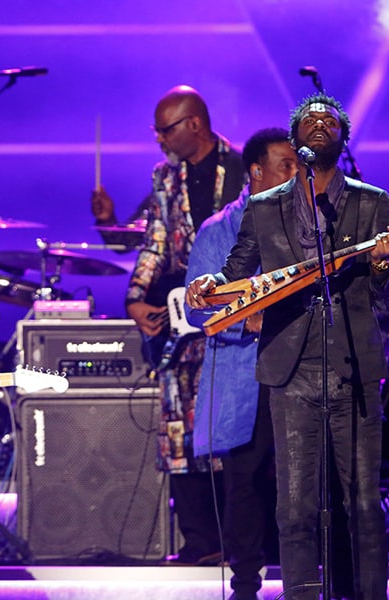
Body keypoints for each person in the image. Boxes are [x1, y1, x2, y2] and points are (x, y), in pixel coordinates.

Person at [187, 92, 389, 599]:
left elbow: (386, 296)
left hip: (354, 367)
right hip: (290, 371)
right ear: (296, 137)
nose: (320, 125)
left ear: (343, 138)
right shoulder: (264, 208)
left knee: (364, 504)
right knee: (295, 506)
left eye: (330, 121)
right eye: (310, 120)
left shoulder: (371, 202)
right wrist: (207, 286)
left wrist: (381, 263)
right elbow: (236, 274)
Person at [125, 84, 246, 564]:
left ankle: (239, 540)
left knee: (226, 427)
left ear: (194, 123)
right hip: (179, 317)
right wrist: (135, 298)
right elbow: (155, 242)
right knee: (179, 428)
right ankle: (198, 542)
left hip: (231, 314)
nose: (159, 140)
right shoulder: (164, 177)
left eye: (165, 129)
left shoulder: (242, 168)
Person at [186, 127, 296, 599]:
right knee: (245, 484)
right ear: (256, 171)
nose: (296, 173)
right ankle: (246, 586)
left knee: (298, 484)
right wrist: (244, 319)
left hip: (296, 373)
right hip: (243, 378)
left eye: (299, 165)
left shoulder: (306, 226)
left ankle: (304, 583)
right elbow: (195, 307)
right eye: (286, 164)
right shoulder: (217, 231)